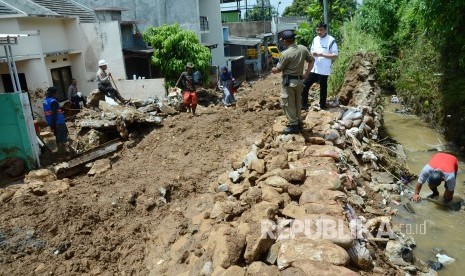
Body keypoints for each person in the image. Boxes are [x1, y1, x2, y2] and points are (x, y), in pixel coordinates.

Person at [272, 30, 313, 134]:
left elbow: (278, 70)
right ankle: (298, 121)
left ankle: (293, 125)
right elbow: (312, 60)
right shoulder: (303, 48)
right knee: (297, 102)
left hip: (289, 82)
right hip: (299, 81)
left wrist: (273, 69)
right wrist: (306, 73)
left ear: (285, 41)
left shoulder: (285, 54)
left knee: (288, 103)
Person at [302, 22, 338, 110]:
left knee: (323, 89)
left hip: (324, 69)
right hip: (314, 68)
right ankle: (304, 104)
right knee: (304, 85)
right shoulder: (315, 39)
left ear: (325, 30)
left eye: (321, 29)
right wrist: (313, 54)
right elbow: (311, 52)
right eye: (317, 30)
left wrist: (322, 55)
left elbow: (335, 55)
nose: (319, 31)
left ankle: (322, 106)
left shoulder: (331, 40)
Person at [43, 87, 70, 154]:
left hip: (52, 123)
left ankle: (61, 153)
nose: (57, 94)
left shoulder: (45, 100)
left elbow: (51, 111)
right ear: (54, 94)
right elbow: (54, 114)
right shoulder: (54, 101)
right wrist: (53, 125)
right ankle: (63, 154)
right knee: (62, 139)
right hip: (59, 123)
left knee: (58, 138)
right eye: (57, 93)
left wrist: (52, 125)